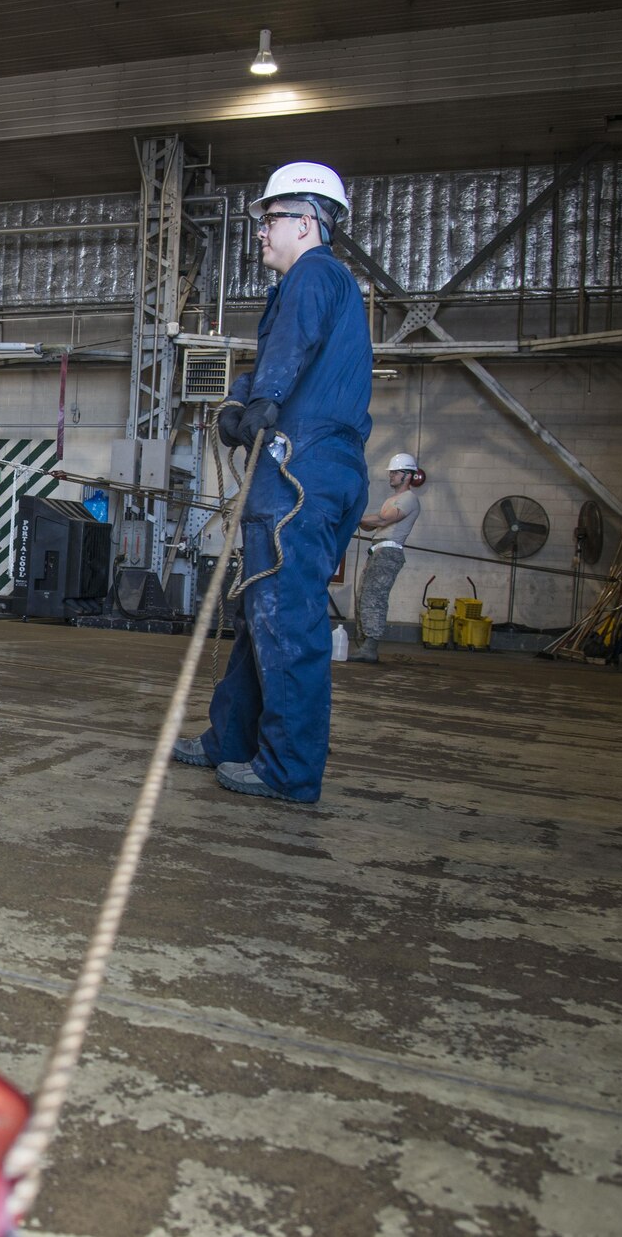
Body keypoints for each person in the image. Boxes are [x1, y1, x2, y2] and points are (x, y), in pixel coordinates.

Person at [172, 164, 372, 803]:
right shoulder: (304, 287)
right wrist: (240, 401)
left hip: (301, 472)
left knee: (285, 621)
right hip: (306, 469)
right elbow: (278, 360)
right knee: (261, 618)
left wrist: (266, 400)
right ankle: (230, 742)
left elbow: (288, 357)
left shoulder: (315, 275)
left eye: (272, 218)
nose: (261, 231)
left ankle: (288, 771)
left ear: (309, 222)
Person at [349, 453, 423, 663]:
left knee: (374, 596)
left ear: (407, 476)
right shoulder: (392, 499)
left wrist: (357, 517)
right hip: (378, 550)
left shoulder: (409, 498)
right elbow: (371, 523)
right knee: (364, 594)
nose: (391, 476)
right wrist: (360, 519)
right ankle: (365, 644)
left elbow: (383, 520)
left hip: (388, 553)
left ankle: (370, 647)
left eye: (395, 472)